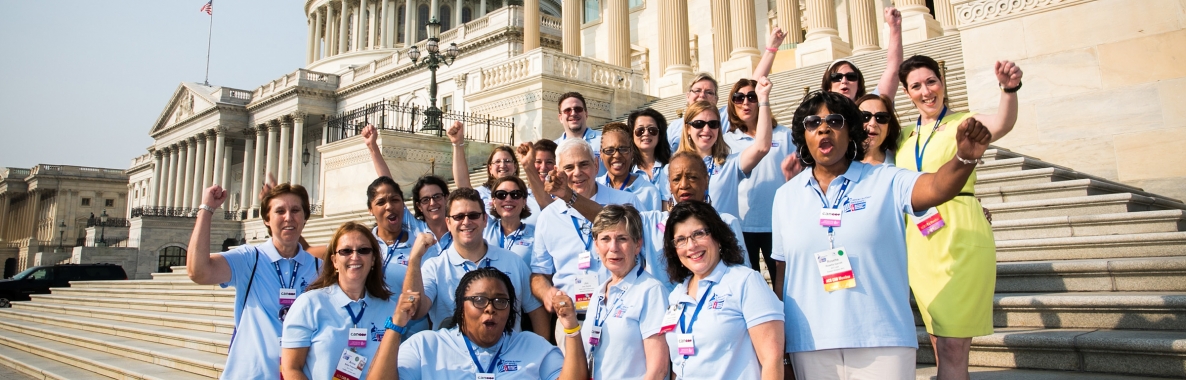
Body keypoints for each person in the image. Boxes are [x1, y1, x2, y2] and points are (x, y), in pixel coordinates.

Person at [770, 90, 993, 379]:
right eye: (813, 123)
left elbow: (938, 187)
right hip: (811, 343)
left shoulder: (886, 179)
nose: (824, 128)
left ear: (851, 132)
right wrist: (782, 347)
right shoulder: (785, 196)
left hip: (882, 338)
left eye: (835, 121)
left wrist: (963, 158)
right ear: (804, 136)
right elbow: (782, 273)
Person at [895, 54, 1022, 380]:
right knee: (940, 344)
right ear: (907, 93)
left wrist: (1009, 90)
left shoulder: (963, 123)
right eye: (916, 86)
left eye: (931, 81)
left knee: (952, 347)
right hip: (919, 242)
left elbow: (1002, 123)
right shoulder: (903, 135)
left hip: (960, 235)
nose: (926, 91)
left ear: (942, 82)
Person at [186, 183, 322, 379]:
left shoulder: (319, 268)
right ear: (267, 219)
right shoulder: (250, 258)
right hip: (251, 374)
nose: (288, 217)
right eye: (280, 211)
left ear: (305, 217)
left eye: (295, 210)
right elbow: (198, 272)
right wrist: (207, 209)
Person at [366, 268, 590, 380]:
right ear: (461, 306)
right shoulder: (425, 345)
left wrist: (570, 327)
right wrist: (396, 326)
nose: (490, 308)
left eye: (500, 301)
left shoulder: (533, 346)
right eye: (479, 300)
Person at [530, 138, 642, 344]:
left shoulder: (626, 202)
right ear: (557, 171)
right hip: (571, 323)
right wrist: (547, 292)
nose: (577, 173)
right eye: (569, 167)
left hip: (623, 318)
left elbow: (636, 248)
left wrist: (569, 196)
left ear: (596, 165)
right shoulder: (548, 217)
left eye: (583, 164)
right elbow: (539, 274)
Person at [400, 187, 549, 336]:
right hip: (454, 357)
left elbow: (535, 310)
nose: (466, 222)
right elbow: (416, 311)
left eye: (473, 215)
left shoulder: (513, 261)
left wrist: (541, 349)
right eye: (458, 217)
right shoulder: (434, 267)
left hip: (508, 355)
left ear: (484, 219)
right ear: (448, 223)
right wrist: (414, 259)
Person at [662, 201, 785, 380]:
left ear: (717, 236)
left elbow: (772, 359)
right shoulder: (676, 296)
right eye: (681, 240)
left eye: (699, 234)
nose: (691, 246)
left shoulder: (745, 282)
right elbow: (679, 364)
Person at [281, 222, 395, 380]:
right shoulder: (309, 304)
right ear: (334, 261)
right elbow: (291, 369)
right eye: (346, 251)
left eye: (363, 250)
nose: (355, 256)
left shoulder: (389, 309)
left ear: (373, 259)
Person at [580, 204, 670, 380]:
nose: (613, 247)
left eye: (622, 239)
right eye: (605, 239)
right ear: (596, 246)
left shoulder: (651, 291)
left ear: (637, 245)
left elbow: (658, 370)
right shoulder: (599, 293)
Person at [724, 77, 796, 281]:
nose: (745, 102)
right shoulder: (727, 140)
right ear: (732, 103)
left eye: (751, 97)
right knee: (750, 280)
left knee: (784, 280)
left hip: (777, 221)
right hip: (743, 223)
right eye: (739, 98)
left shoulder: (784, 135)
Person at [668, 27, 786, 152]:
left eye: (709, 92)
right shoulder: (673, 127)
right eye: (697, 90)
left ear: (716, 99)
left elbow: (753, 85)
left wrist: (771, 49)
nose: (702, 95)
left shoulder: (722, 117)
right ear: (688, 96)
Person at [676, 75, 774, 217]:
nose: (706, 130)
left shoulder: (730, 164)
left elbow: (762, 147)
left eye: (713, 124)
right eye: (699, 124)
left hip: (725, 237)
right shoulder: (671, 169)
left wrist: (763, 99)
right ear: (688, 129)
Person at [448, 121, 542, 223]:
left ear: (515, 166)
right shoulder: (482, 193)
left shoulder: (529, 194)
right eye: (497, 161)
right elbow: (463, 185)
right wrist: (457, 144)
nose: (502, 165)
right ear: (490, 169)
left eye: (507, 161)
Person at [821, 8, 902, 101]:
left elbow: (893, 71)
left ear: (858, 85)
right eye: (836, 77)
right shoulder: (819, 114)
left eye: (851, 76)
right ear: (828, 88)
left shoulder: (871, 109)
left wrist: (895, 27)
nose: (844, 81)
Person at [598, 122, 663, 211]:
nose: (617, 155)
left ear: (632, 152)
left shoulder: (649, 192)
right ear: (601, 154)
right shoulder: (594, 187)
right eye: (609, 150)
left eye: (623, 149)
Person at [482, 175, 537, 267]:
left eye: (515, 194)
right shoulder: (485, 227)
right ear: (494, 201)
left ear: (524, 201)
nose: (508, 199)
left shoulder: (536, 235)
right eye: (501, 195)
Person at [556, 92, 606, 176]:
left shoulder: (603, 139)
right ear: (560, 118)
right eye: (567, 110)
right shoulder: (554, 146)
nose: (573, 113)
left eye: (578, 109)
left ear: (586, 114)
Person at [629, 108, 672, 201]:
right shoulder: (627, 170)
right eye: (640, 130)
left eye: (652, 130)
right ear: (632, 135)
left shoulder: (672, 167)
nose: (646, 134)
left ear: (660, 135)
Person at [409, 175, 452, 259]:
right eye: (425, 200)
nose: (432, 203)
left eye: (437, 197)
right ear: (419, 206)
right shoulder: (415, 229)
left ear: (446, 198)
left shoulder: (459, 228)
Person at [856, 94, 901, 166]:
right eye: (864, 116)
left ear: (889, 128)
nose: (873, 123)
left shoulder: (899, 162)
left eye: (881, 117)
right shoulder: (839, 162)